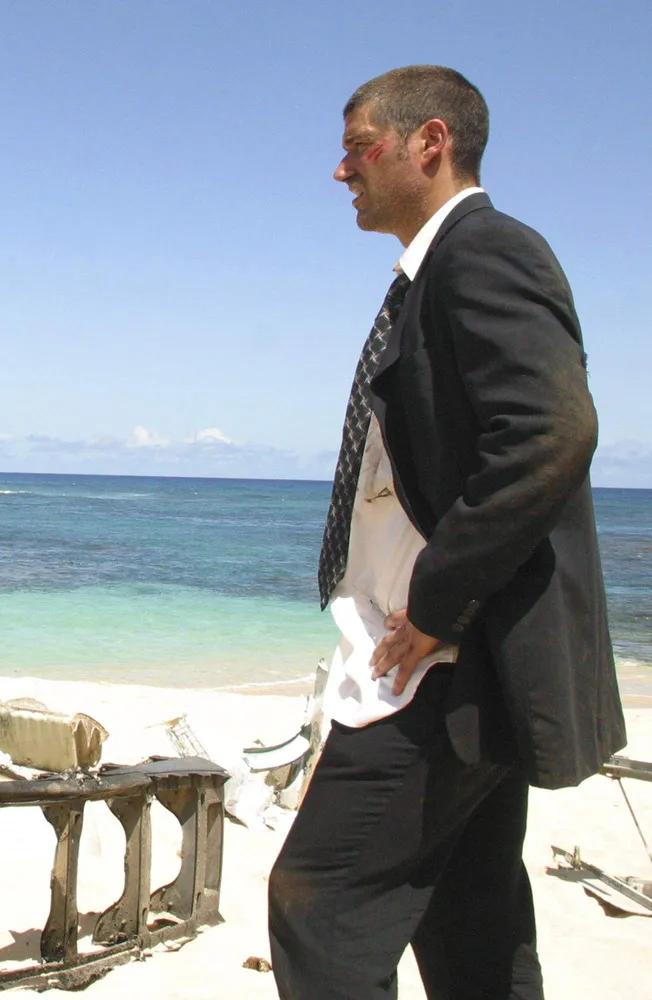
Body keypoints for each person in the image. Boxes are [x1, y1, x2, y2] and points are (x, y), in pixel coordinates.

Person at [269, 66, 626, 999]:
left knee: (321, 900)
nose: (341, 171)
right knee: (470, 920)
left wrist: (436, 603)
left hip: (442, 661)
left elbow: (551, 432)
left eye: (358, 148)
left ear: (429, 142)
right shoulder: (436, 272)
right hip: (453, 659)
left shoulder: (486, 250)